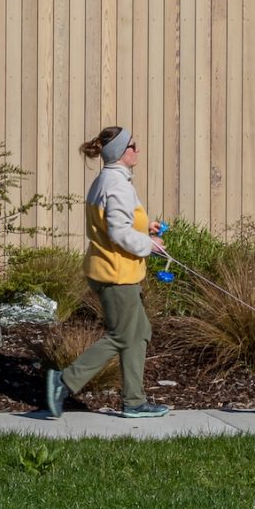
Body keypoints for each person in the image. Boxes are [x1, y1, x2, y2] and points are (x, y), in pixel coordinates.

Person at [46, 125, 169, 418]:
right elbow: (118, 232)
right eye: (133, 146)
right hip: (116, 274)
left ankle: (135, 402)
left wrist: (145, 227)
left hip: (112, 269)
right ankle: (64, 381)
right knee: (122, 336)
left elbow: (119, 222)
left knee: (139, 332)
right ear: (122, 152)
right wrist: (149, 244)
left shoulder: (109, 179)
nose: (138, 150)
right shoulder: (117, 186)